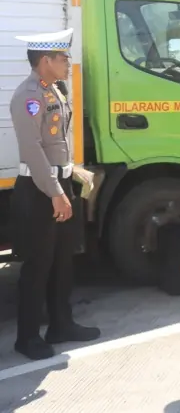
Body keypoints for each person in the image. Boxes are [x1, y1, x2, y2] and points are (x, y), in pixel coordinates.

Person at [9, 28, 101, 361]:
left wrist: (71, 170)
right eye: (63, 58)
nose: (68, 63)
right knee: (38, 266)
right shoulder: (28, 96)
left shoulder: (56, 90)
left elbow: (56, 143)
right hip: (39, 192)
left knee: (63, 260)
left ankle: (62, 324)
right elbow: (32, 150)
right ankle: (28, 337)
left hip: (58, 186)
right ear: (45, 60)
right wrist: (56, 192)